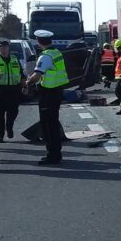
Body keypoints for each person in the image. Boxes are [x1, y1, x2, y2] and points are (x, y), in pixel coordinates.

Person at [25, 29, 69, 166]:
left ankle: (53, 155)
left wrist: (28, 82)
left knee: (48, 125)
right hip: (56, 91)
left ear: (38, 42)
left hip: (48, 93)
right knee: (53, 123)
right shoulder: (56, 52)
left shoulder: (45, 56)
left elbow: (37, 75)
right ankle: (56, 153)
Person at [0, 37, 25, 142]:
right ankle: (0, 134)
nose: (3, 49)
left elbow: (21, 74)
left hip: (13, 90)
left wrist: (25, 85)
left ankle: (9, 127)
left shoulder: (15, 59)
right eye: (0, 47)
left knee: (13, 112)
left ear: (8, 47)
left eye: (5, 47)